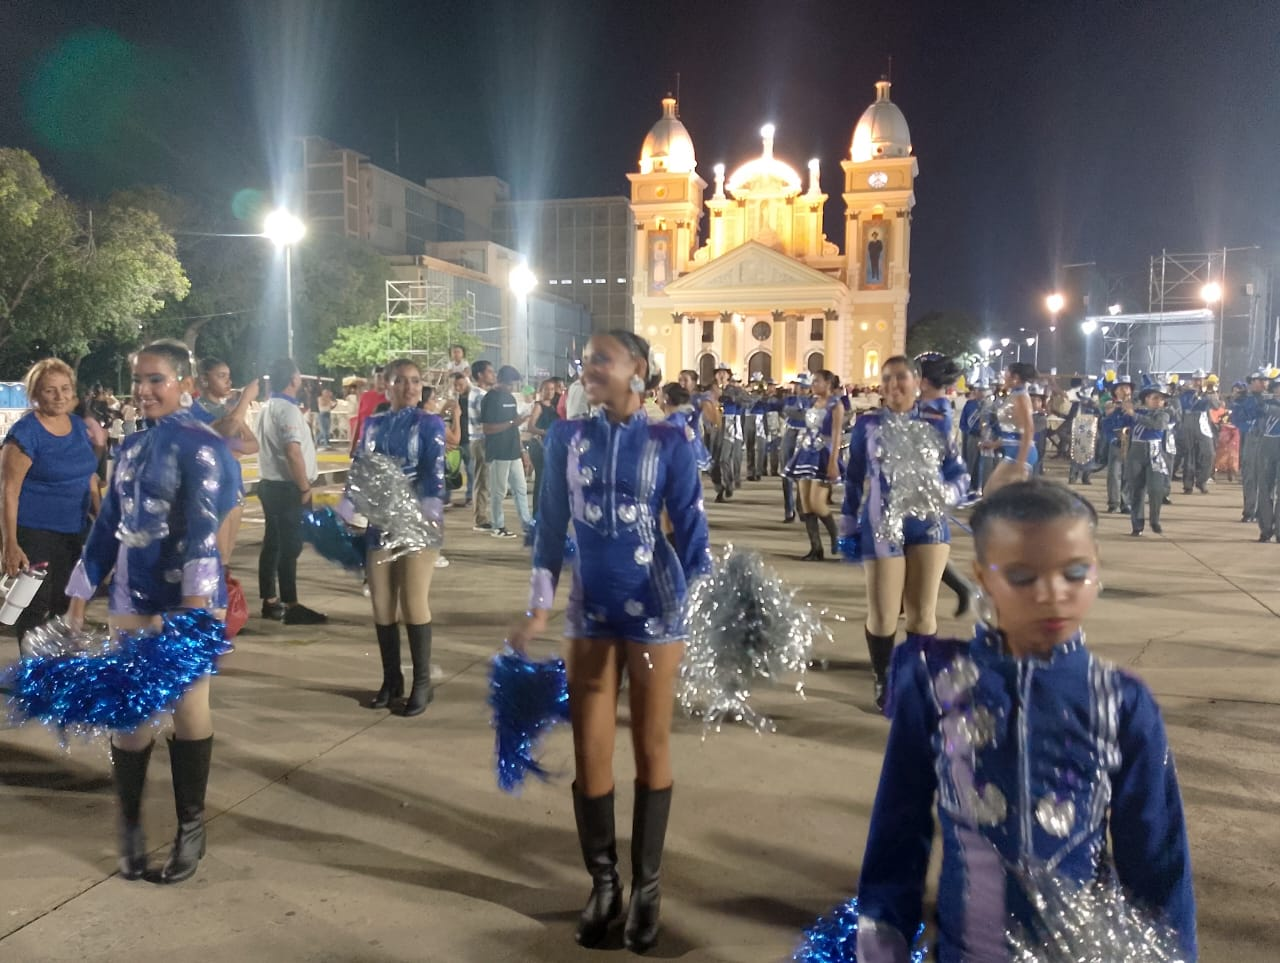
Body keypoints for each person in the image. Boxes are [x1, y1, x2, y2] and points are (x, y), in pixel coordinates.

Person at [853, 479, 1196, 961]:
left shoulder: (1120, 701)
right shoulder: (934, 680)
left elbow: (1158, 861)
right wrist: (881, 941)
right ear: (982, 577)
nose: (1053, 595)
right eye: (1022, 577)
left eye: (1075, 573)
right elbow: (898, 829)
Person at [509, 330, 709, 954]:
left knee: (650, 747)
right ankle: (605, 884)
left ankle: (648, 889)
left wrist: (704, 603)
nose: (589, 366)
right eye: (586, 359)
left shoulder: (671, 440)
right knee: (591, 750)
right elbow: (548, 530)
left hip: (657, 608)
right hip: (590, 614)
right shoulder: (565, 438)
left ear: (637, 370)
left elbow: (693, 528)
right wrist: (539, 605)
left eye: (602, 358)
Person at [64, 339, 239, 885]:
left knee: (188, 713)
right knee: (130, 719)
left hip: (187, 602)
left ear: (185, 384)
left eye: (155, 379)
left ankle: (191, 830)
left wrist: (189, 614)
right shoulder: (131, 448)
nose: (142, 390)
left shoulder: (204, 446)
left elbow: (207, 534)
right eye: (138, 379)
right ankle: (131, 826)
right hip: (129, 600)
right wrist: (78, 595)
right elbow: (107, 525)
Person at [841, 356, 968, 710]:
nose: (893, 385)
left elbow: (959, 473)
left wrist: (947, 494)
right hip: (881, 525)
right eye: (886, 379)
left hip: (928, 525)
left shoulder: (938, 421)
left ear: (917, 382)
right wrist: (848, 525)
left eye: (901, 378)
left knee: (922, 613)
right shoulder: (867, 424)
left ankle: (917, 678)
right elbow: (853, 478)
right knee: (882, 614)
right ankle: (884, 677)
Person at [348, 359, 445, 716]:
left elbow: (434, 475)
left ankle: (422, 683)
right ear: (386, 385)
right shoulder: (373, 424)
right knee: (382, 603)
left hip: (418, 524)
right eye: (401, 381)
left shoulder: (430, 423)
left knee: (413, 602)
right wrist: (349, 510)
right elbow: (360, 467)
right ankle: (392, 680)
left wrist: (427, 514)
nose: (409, 387)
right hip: (380, 523)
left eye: (415, 381)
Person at [0, 359, 99, 646]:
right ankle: (33, 675)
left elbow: (89, 475)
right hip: (34, 532)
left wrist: (102, 516)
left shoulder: (78, 426)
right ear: (35, 395)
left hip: (75, 530)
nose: (59, 396)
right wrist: (10, 544)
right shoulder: (25, 434)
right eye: (50, 390)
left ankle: (59, 672)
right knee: (34, 606)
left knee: (68, 602)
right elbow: (8, 490)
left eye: (65, 389)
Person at [256, 358, 326, 624]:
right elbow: (293, 452)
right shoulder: (287, 410)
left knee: (272, 544)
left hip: (269, 484)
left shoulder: (266, 408)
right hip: (288, 488)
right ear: (293, 379)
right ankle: (291, 604)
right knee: (290, 546)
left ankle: (270, 600)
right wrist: (304, 488)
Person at [783, 369, 844, 561]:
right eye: (813, 381)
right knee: (806, 506)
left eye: (817, 381)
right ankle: (815, 548)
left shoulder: (836, 405)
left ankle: (836, 537)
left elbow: (836, 436)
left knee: (818, 503)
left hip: (823, 454)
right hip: (805, 452)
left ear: (828, 384)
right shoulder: (811, 402)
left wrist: (833, 462)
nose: (813, 385)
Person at [481, 364, 533, 540]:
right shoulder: (490, 398)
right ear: (501, 381)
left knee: (521, 489)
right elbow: (487, 428)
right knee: (498, 492)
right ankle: (498, 526)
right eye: (510, 384)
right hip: (498, 452)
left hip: (513, 451)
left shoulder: (510, 397)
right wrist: (513, 423)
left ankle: (527, 524)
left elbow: (515, 426)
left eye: (514, 385)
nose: (512, 388)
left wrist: (522, 451)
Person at [982, 362, 1038, 494]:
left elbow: (1028, 430)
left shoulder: (1020, 398)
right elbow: (1014, 430)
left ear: (1015, 377)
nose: (1003, 376)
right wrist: (995, 444)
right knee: (994, 494)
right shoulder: (1015, 395)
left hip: (1019, 453)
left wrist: (1021, 462)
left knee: (993, 494)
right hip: (1013, 451)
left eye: (1006, 373)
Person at [1127, 385, 1173, 537]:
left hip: (1155, 453)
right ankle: (1137, 524)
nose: (1159, 401)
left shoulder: (1164, 414)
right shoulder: (1136, 411)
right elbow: (1116, 422)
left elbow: (1157, 425)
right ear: (1146, 399)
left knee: (1156, 489)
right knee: (1137, 491)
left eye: (1161, 399)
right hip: (1136, 453)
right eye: (1155, 398)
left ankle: (1155, 520)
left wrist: (1133, 414)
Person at [1235, 371, 1268, 522]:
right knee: (1250, 476)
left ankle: (1265, 512)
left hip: (1271, 440)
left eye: (1265, 380)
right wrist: (1251, 426)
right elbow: (1236, 418)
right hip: (1253, 439)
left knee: (1268, 478)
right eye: (1259, 380)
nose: (1262, 383)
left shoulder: (1272, 399)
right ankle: (1249, 511)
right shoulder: (1244, 399)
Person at [525, 378, 561, 516]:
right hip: (539, 446)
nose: (550, 392)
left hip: (550, 446)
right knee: (540, 479)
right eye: (546, 389)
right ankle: (537, 513)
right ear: (541, 390)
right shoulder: (538, 406)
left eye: (552, 389)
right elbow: (530, 426)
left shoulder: (554, 406)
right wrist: (544, 432)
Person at [779, 375, 812, 522]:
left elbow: (809, 416)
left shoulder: (813, 401)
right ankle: (789, 510)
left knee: (801, 474)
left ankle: (801, 508)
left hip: (805, 434)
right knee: (786, 473)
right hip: (791, 432)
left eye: (799, 385)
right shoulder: (791, 399)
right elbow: (787, 411)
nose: (796, 388)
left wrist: (800, 414)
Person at [1100, 379, 1135, 514]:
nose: (1124, 391)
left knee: (1128, 474)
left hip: (1131, 441)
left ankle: (1125, 502)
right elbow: (1107, 425)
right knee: (1114, 474)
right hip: (1116, 440)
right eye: (1121, 388)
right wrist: (1113, 439)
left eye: (1127, 388)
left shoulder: (1135, 405)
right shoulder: (1110, 405)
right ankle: (1113, 502)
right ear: (1115, 391)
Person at [1252, 379, 1280, 542]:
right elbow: (1248, 412)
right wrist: (1256, 394)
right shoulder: (1263, 403)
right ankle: (1266, 528)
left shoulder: (1267, 405)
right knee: (1264, 488)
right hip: (1266, 445)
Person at [469, 360, 496, 532]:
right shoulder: (480, 395)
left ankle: (482, 516)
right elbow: (488, 419)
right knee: (482, 479)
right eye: (490, 371)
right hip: (481, 440)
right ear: (480, 375)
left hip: (477, 439)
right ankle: (480, 518)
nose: (493, 375)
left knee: (483, 479)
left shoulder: (477, 393)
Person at [450, 372, 475, 507]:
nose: (458, 387)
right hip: (455, 439)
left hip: (469, 439)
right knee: (450, 470)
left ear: (467, 383)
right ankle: (446, 497)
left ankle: (470, 496)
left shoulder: (473, 398)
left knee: (471, 469)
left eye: (460, 385)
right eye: (455, 385)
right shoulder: (455, 399)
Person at [349, 366, 386, 456]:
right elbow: (359, 422)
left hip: (383, 446)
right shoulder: (365, 397)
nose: (381, 380)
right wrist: (352, 446)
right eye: (378, 377)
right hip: (364, 444)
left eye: (384, 377)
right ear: (374, 379)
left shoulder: (391, 398)